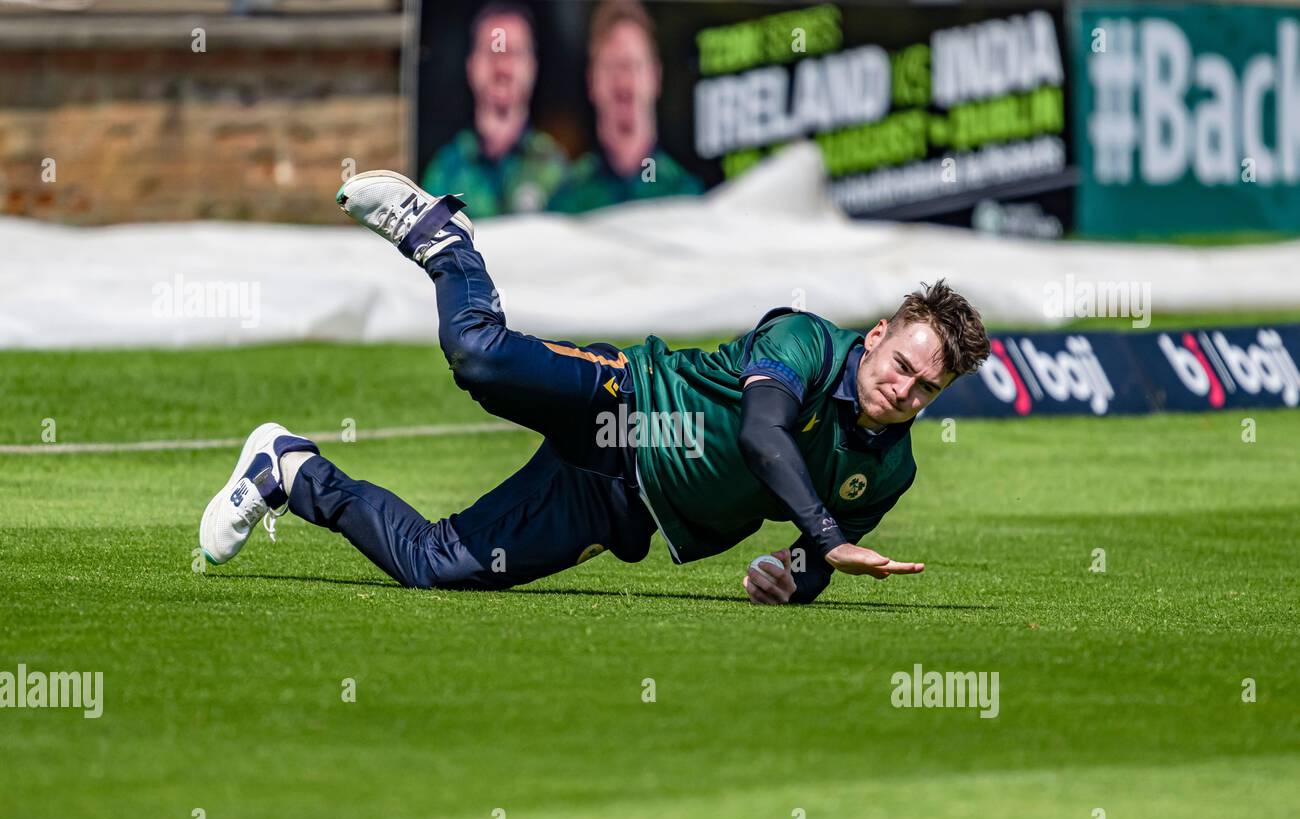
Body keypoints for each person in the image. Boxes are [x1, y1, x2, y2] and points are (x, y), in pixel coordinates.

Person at [198, 171, 990, 605]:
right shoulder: (808, 341)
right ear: (878, 335)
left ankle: (290, 470)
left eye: (928, 389)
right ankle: (446, 241)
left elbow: (823, 556)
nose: (907, 391)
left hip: (615, 505)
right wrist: (824, 536)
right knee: (477, 356)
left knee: (435, 566)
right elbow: (762, 436)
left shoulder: (891, 468)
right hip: (628, 405)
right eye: (903, 366)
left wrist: (794, 574)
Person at [548, 0, 702, 213]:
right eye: (613, 68)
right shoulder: (567, 201)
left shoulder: (685, 196)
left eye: (634, 66)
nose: (624, 84)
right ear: (592, 82)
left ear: (655, 77)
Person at [419, 2, 567, 216]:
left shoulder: (557, 171)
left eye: (514, 53)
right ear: (471, 66)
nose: (502, 67)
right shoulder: (445, 171)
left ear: (532, 67)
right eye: (492, 51)